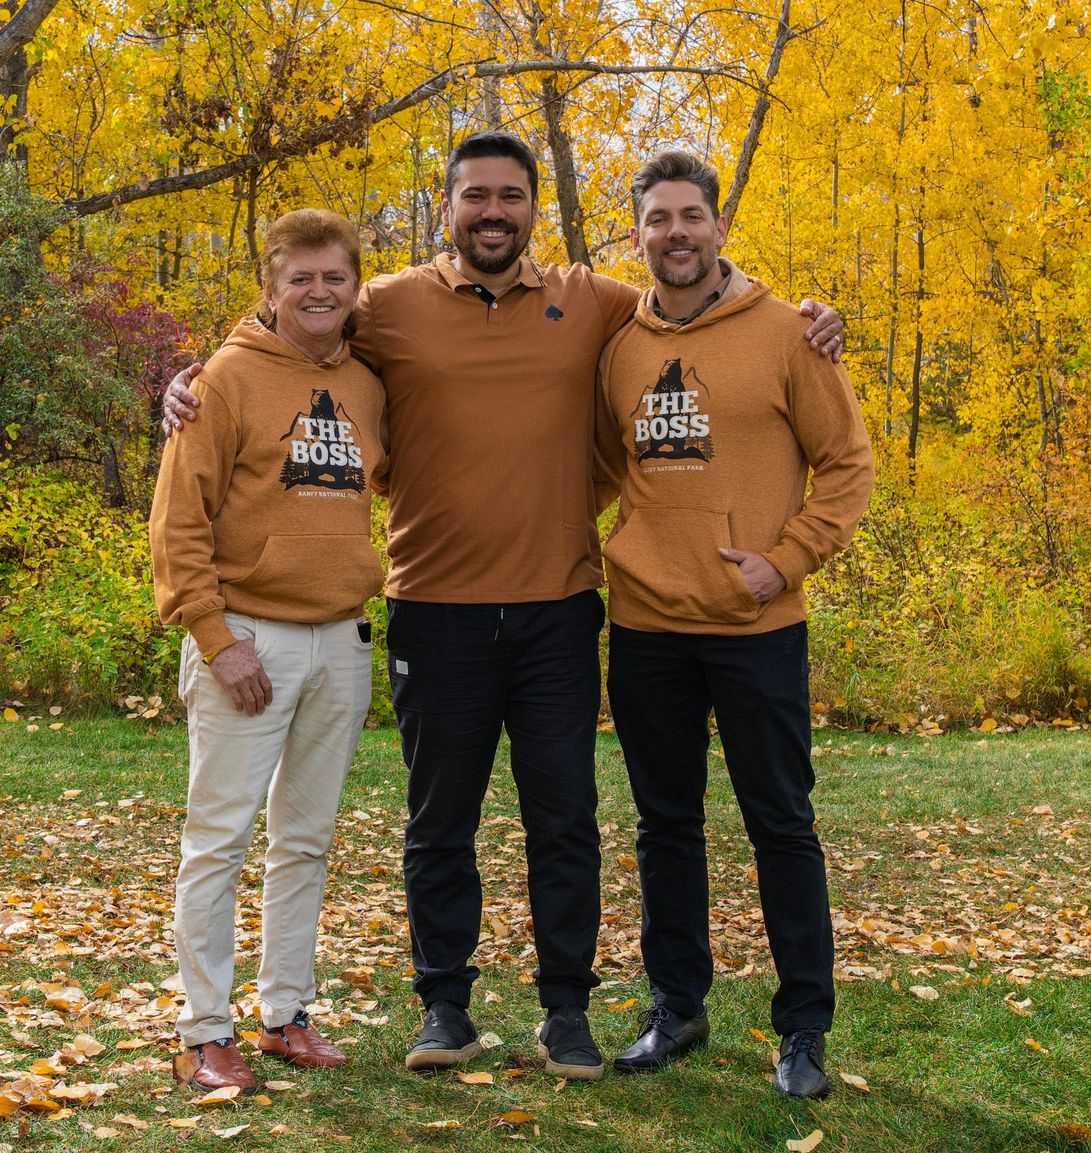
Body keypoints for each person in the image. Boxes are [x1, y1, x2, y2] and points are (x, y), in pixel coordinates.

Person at [162, 130, 846, 1083]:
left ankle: (567, 1012)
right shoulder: (387, 307)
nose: (493, 211)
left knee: (564, 819)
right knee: (439, 824)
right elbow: (292, 325)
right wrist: (190, 379)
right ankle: (443, 1006)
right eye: (475, 195)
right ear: (448, 207)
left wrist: (810, 316)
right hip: (432, 607)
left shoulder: (591, 302)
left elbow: (695, 289)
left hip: (560, 608)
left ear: (533, 209)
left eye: (511, 197)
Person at [593, 149, 875, 1100]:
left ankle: (802, 1029)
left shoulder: (791, 333)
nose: (675, 234)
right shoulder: (619, 346)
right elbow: (599, 466)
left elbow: (846, 465)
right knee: (664, 827)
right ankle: (677, 1007)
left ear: (718, 225)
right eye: (657, 220)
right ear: (637, 235)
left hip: (756, 626)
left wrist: (786, 559)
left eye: (691, 217)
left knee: (780, 824)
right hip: (643, 626)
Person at [150, 209, 388, 1092]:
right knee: (219, 839)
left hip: (343, 639)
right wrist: (217, 640)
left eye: (335, 278)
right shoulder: (224, 381)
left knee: (306, 840)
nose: (319, 292)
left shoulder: (368, 384)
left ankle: (286, 1012)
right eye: (302, 278)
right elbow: (177, 523)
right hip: (249, 639)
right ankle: (203, 1031)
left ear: (355, 287)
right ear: (272, 286)